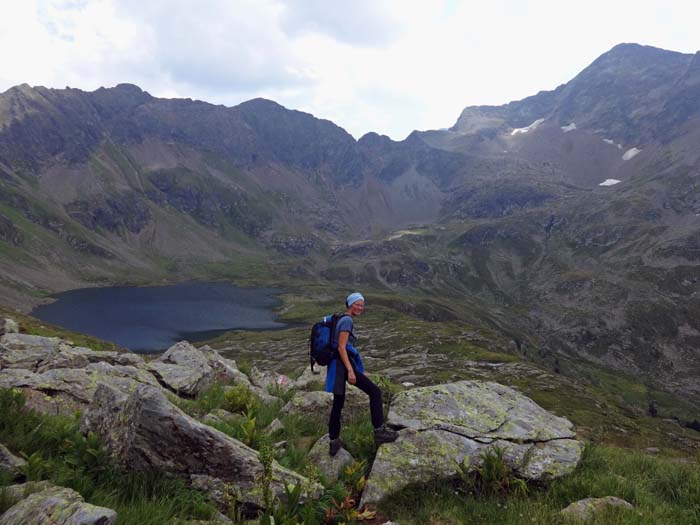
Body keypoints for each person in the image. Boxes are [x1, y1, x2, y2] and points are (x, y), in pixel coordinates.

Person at [325, 292, 398, 456]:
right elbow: (341, 347)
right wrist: (350, 370)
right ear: (350, 304)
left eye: (361, 305)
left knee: (338, 403)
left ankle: (334, 441)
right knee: (375, 392)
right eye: (357, 304)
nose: (359, 307)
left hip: (336, 366)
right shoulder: (347, 321)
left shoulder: (341, 318)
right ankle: (379, 432)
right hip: (343, 366)